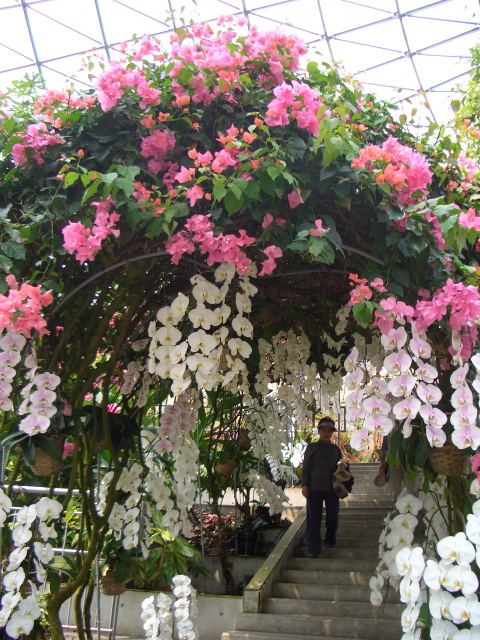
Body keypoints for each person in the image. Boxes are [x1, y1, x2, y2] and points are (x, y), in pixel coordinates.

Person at [301, 417, 342, 557]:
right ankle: (313, 549)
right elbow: (306, 467)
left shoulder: (336, 449)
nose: (326, 433)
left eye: (329, 430)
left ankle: (330, 540)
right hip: (314, 488)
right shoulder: (312, 447)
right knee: (314, 518)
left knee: (333, 517)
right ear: (318, 431)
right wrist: (304, 484)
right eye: (323, 430)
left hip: (332, 489)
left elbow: (340, 467)